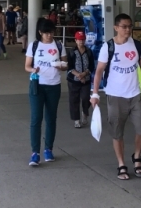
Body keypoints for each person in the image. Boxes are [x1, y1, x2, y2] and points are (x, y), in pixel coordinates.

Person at [90, 13, 141, 180]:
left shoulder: (137, 45)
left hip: (135, 94)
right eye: (124, 26)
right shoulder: (108, 47)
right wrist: (95, 93)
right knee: (117, 132)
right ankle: (121, 164)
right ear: (116, 28)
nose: (128, 29)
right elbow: (99, 71)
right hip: (115, 95)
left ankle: (137, 156)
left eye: (130, 26)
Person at [24, 19, 67, 166]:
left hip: (54, 85)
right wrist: (33, 69)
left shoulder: (59, 45)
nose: (49, 35)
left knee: (51, 118)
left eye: (51, 32)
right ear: (40, 32)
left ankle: (48, 149)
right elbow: (27, 66)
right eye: (46, 33)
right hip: (37, 85)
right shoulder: (34, 46)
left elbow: (65, 64)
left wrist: (61, 66)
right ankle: (35, 152)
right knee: (36, 118)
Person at [67, 31, 94, 128]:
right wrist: (79, 75)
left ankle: (85, 113)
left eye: (82, 39)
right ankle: (76, 120)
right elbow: (69, 66)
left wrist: (84, 74)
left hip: (86, 80)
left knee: (86, 98)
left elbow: (91, 66)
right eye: (79, 39)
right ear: (75, 40)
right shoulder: (71, 52)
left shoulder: (89, 51)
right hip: (73, 80)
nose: (81, 41)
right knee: (74, 100)